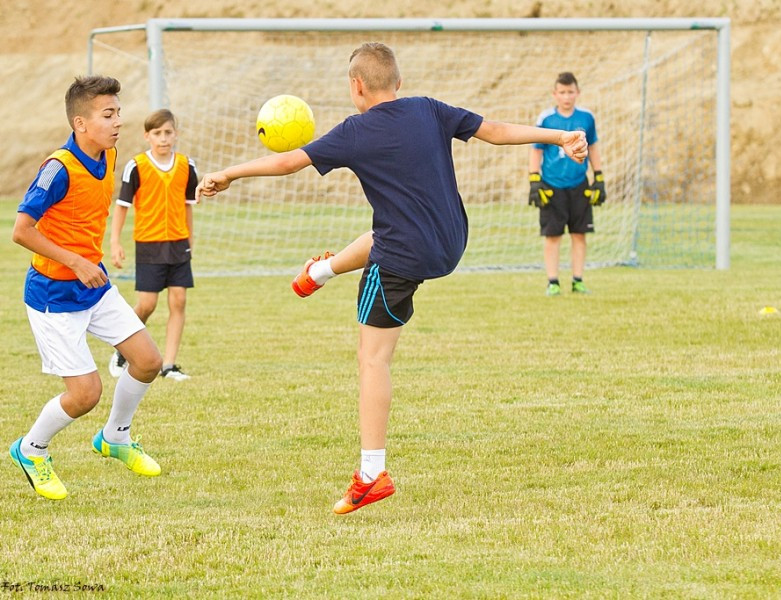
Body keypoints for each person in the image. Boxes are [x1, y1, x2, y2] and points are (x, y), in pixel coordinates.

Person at [197, 42, 588, 514]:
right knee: (384, 228)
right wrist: (559, 137)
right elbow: (499, 130)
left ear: (356, 87)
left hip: (402, 259)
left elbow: (287, 162)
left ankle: (370, 472)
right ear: (398, 83)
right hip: (449, 241)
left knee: (372, 360)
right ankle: (319, 272)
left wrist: (230, 174)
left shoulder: (355, 131)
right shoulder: (429, 110)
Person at [9, 75, 163, 501]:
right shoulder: (58, 168)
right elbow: (21, 231)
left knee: (148, 360)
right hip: (54, 296)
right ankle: (30, 449)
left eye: (118, 112)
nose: (118, 122)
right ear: (80, 122)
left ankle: (115, 437)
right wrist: (76, 260)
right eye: (108, 114)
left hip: (92, 287)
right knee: (85, 394)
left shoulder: (110, 155)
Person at [108, 108, 198, 381]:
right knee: (147, 304)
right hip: (148, 243)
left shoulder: (186, 166)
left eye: (168, 132)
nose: (163, 138)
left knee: (179, 300)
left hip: (178, 243)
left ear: (176, 135)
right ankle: (123, 350)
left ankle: (169, 365)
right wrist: (115, 242)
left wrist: (190, 239)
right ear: (147, 136)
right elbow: (122, 207)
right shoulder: (137, 166)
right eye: (157, 133)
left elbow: (188, 207)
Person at [528, 71, 605, 296]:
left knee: (579, 234)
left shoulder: (586, 118)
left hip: (579, 184)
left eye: (570, 92)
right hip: (552, 184)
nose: (566, 96)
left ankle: (578, 280)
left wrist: (598, 176)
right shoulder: (546, 119)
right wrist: (534, 180)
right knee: (553, 236)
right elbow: (536, 150)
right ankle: (553, 282)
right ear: (555, 94)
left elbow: (592, 148)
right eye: (562, 92)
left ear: (577, 93)